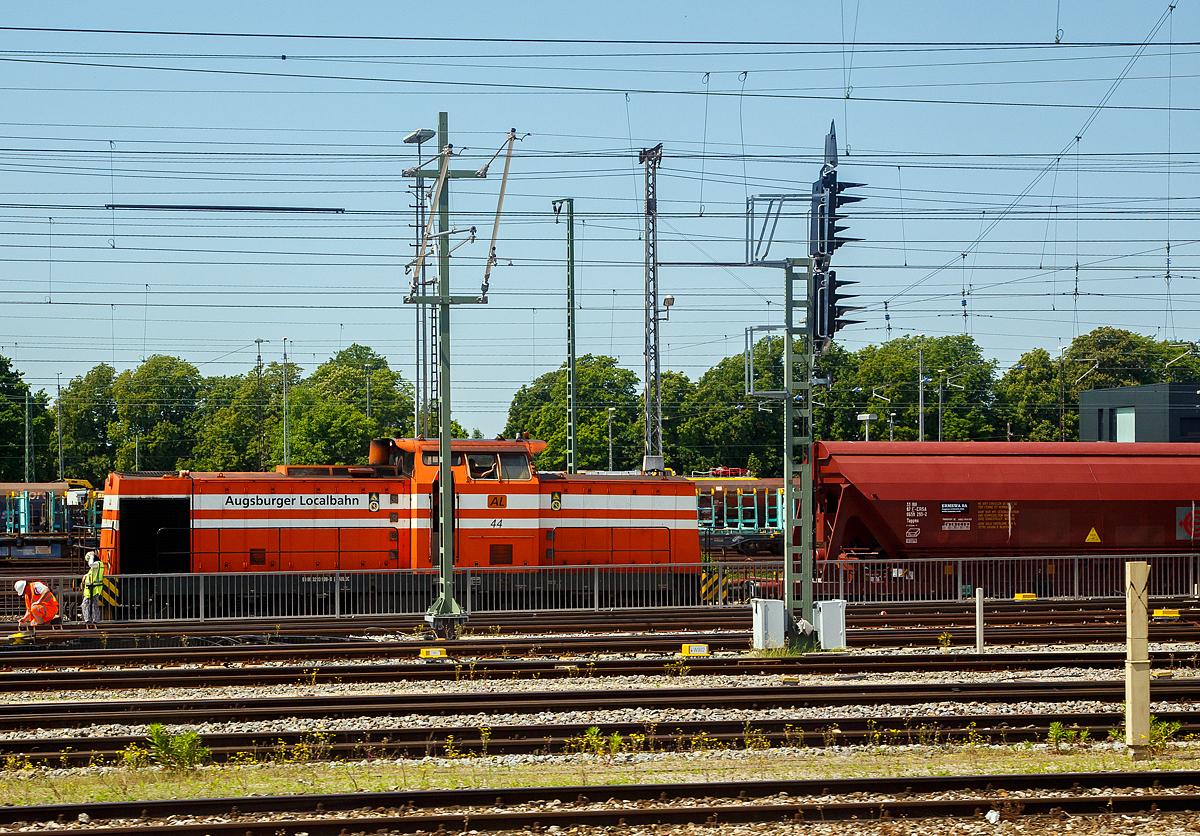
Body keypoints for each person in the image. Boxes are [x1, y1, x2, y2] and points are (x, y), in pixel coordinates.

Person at [81, 552, 105, 628]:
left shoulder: (97, 564)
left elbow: (91, 564)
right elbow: (92, 573)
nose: (88, 562)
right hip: (94, 588)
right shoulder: (98, 565)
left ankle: (88, 621)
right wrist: (86, 575)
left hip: (93, 588)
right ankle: (95, 621)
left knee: (85, 605)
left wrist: (91, 555)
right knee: (94, 605)